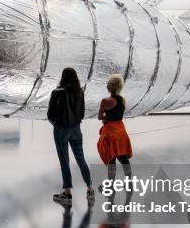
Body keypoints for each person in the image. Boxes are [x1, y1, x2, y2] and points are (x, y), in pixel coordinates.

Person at [47, 67, 95, 205]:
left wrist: (57, 124)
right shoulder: (80, 92)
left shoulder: (56, 93)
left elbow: (50, 114)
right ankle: (90, 189)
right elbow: (82, 113)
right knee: (81, 159)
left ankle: (67, 194)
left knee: (64, 161)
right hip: (76, 129)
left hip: (61, 130)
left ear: (63, 77)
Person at [97, 74, 133, 180]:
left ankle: (111, 185)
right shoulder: (123, 100)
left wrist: (105, 118)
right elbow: (118, 114)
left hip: (110, 132)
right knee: (123, 157)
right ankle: (129, 182)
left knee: (111, 159)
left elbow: (100, 117)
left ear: (109, 87)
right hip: (121, 131)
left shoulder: (105, 101)